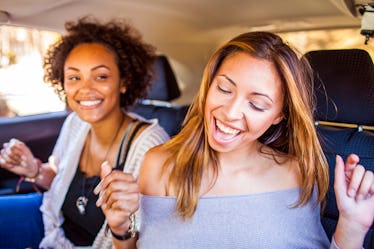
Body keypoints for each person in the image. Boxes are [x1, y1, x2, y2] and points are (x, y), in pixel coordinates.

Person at [96, 31, 374, 249]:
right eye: (224, 89)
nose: (230, 113)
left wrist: (351, 226)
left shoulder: (296, 173)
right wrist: (120, 227)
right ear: (208, 85)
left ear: (280, 115)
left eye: (257, 104)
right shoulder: (158, 163)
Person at [0, 16, 169, 249]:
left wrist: (120, 228)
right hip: (52, 226)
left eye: (100, 76)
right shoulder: (75, 123)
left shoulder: (152, 146)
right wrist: (34, 170)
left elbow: (153, 240)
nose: (85, 89)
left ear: (124, 81)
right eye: (74, 77)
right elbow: (61, 184)